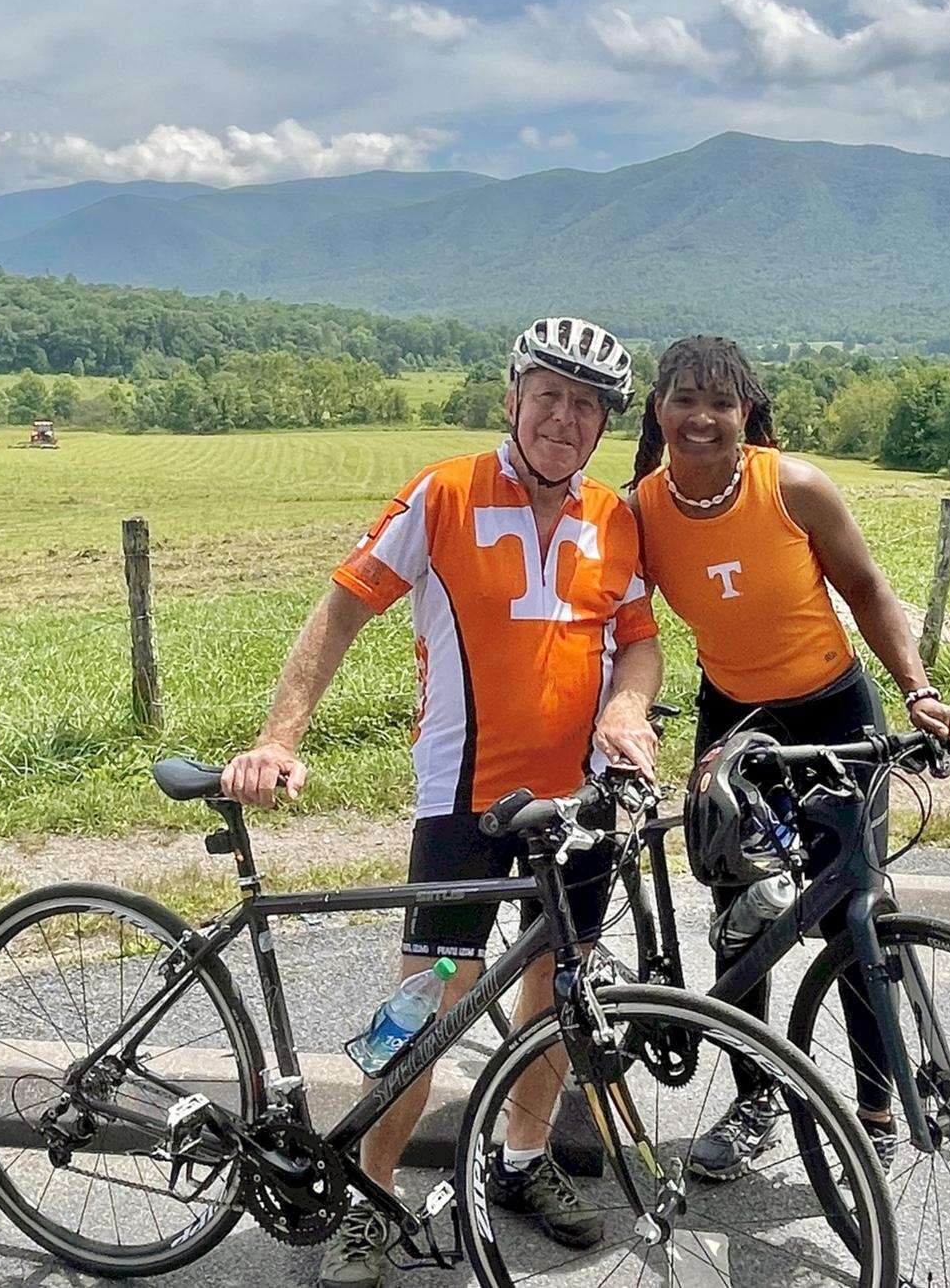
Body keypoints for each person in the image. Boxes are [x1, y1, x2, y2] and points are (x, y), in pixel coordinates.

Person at [222, 316, 662, 1288]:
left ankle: (520, 1158)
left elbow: (638, 641)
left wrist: (628, 707)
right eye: (548, 396)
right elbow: (343, 607)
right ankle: (371, 1195)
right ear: (512, 399)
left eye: (585, 406)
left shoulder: (616, 518)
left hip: (578, 804)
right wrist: (280, 737)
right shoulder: (445, 494)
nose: (563, 418)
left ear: (603, 426)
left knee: (558, 990)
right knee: (431, 1001)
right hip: (465, 798)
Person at [627, 335, 950, 1181]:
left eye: (721, 402)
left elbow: (868, 589)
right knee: (740, 917)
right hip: (735, 723)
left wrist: (919, 691)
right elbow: (617, 626)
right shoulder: (640, 512)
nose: (702, 417)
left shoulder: (795, 487)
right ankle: (756, 1100)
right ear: (658, 411)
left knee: (854, 915)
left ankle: (876, 1113)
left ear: (746, 412)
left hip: (833, 711)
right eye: (684, 400)